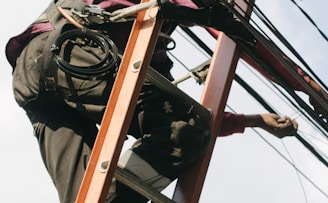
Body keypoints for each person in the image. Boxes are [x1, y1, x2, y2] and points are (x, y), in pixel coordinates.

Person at [5, 0, 298, 202]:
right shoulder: (150, 11)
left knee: (85, 194)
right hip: (73, 46)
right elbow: (222, 23)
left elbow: (180, 113)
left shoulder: (150, 47)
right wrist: (296, 81)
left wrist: (254, 121)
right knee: (187, 131)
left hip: (32, 77)